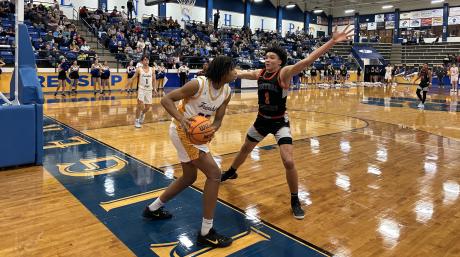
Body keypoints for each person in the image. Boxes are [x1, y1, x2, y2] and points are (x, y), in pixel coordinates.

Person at [220, 26, 354, 219]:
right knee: (244, 149)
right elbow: (238, 73)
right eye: (266, 57)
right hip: (261, 120)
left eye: (272, 57)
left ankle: (295, 199)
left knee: (289, 161)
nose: (267, 59)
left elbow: (308, 60)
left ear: (280, 61)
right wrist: (217, 69)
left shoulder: (284, 73)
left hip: (279, 122)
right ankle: (231, 172)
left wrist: (332, 41)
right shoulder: (259, 74)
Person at [143, 56, 236, 248]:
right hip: (181, 130)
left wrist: (212, 130)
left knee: (189, 177)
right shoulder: (198, 84)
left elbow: (218, 119)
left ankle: (153, 208)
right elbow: (166, 99)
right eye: (233, 69)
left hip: (195, 135)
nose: (236, 73)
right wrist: (182, 119)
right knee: (214, 174)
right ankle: (206, 232)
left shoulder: (226, 91)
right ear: (223, 71)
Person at [134, 55, 157, 128]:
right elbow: (132, 78)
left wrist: (155, 88)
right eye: (144, 60)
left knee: (148, 107)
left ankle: (142, 114)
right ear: (142, 61)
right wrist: (125, 87)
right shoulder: (139, 69)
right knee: (140, 105)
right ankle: (137, 120)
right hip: (141, 89)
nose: (146, 61)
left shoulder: (152, 69)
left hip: (149, 89)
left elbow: (154, 80)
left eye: (147, 60)